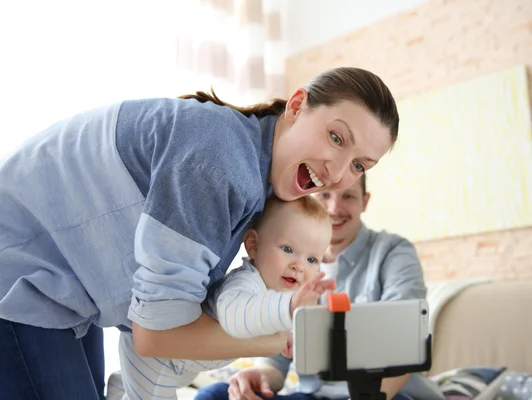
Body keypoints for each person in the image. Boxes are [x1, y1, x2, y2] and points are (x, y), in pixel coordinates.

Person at [0, 66, 399, 400]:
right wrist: (280, 338)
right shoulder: (222, 161)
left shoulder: (254, 177)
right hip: (21, 272)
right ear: (297, 106)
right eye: (336, 137)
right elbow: (155, 335)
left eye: (360, 165)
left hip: (66, 295)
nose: (336, 172)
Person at [195, 174, 430, 400]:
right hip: (313, 395)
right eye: (325, 195)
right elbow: (279, 358)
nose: (334, 209)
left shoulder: (392, 251)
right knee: (213, 395)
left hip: (381, 394)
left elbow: (406, 338)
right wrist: (259, 376)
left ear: (364, 202)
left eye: (348, 196)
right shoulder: (287, 268)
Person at [107, 195, 336, 400]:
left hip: (184, 364)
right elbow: (236, 317)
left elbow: (280, 328)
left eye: (312, 260)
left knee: (139, 388)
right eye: (288, 249)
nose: (299, 266)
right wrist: (288, 309)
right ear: (253, 245)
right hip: (160, 357)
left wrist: (295, 336)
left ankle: (119, 388)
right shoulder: (246, 283)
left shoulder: (284, 294)